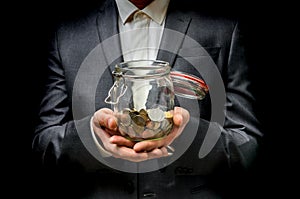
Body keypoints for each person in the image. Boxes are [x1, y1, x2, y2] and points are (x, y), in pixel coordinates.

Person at [32, 0, 263, 198]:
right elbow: (43, 144)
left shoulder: (222, 27)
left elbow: (247, 147)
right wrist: (91, 138)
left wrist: (187, 134)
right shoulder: (68, 34)